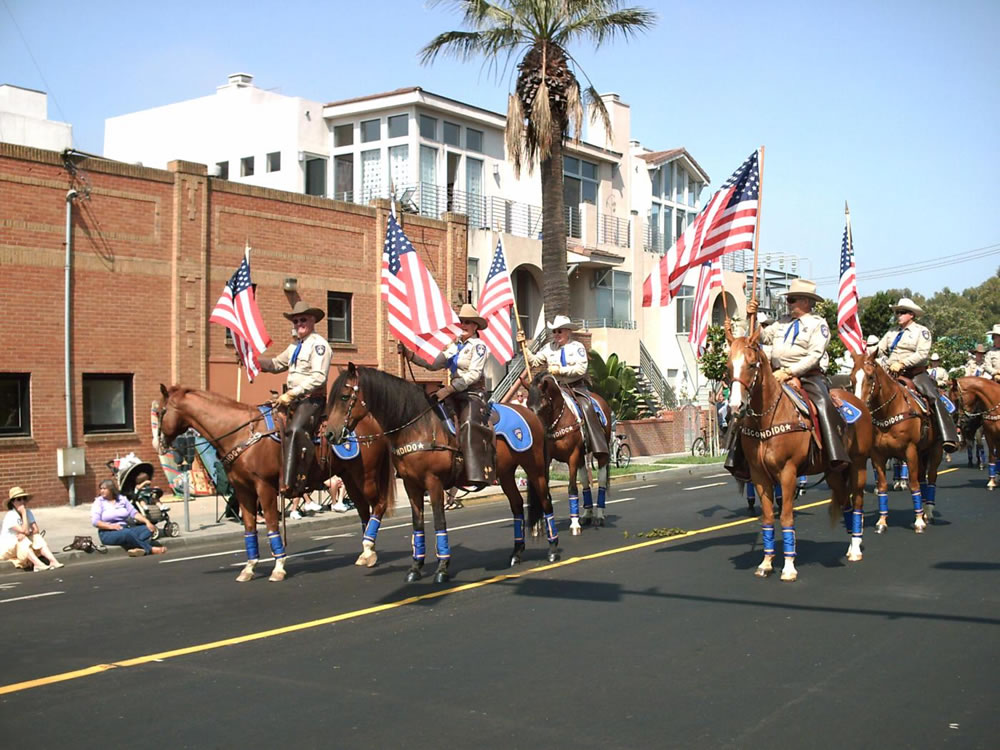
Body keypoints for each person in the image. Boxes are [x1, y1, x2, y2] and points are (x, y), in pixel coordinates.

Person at [749, 279, 849, 470]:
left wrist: (789, 371)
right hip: (776, 374)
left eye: (792, 299)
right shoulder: (782, 322)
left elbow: (814, 355)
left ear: (805, 301)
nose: (788, 303)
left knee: (822, 403)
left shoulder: (818, 324)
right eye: (788, 299)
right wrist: (751, 317)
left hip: (808, 376)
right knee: (748, 403)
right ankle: (740, 459)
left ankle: (834, 453)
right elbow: (763, 337)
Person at [400, 303, 495, 489]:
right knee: (429, 412)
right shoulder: (455, 346)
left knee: (468, 424)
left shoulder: (479, 346)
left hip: (472, 393)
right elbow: (434, 364)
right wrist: (411, 356)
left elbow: (474, 375)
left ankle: (475, 471)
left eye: (468, 322)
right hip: (453, 392)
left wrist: (450, 389)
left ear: (475, 326)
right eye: (461, 322)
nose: (463, 325)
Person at [258, 300, 333, 497]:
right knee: (266, 425)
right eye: (296, 321)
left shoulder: (319, 345)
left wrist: (292, 393)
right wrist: (254, 362)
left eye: (303, 320)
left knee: (295, 429)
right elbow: (276, 364)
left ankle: (298, 480)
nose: (299, 324)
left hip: (312, 400)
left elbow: (319, 377)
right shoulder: (294, 347)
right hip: (292, 400)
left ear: (313, 321)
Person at [518, 314, 609, 457]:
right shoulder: (549, 348)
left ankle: (597, 443)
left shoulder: (577, 347)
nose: (556, 334)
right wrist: (523, 346)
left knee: (587, 407)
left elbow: (581, 369)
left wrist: (560, 370)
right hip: (557, 389)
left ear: (568, 331)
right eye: (554, 331)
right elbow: (534, 361)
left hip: (576, 387)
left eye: (560, 331)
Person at [877, 297, 959, 452]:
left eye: (902, 312)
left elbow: (922, 354)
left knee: (934, 397)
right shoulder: (891, 332)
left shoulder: (922, 331)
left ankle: (948, 436)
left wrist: (902, 363)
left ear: (911, 315)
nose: (898, 315)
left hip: (915, 374)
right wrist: (872, 353)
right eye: (897, 312)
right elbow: (880, 349)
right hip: (891, 374)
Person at [91, 479, 166, 556]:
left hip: (125, 528)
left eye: (104, 489)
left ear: (111, 489)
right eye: (101, 489)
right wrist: (111, 526)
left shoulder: (121, 499)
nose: (102, 491)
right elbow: (95, 522)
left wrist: (147, 522)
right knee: (127, 533)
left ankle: (137, 548)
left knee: (148, 529)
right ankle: (150, 549)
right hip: (108, 532)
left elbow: (134, 513)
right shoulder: (99, 502)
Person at [2, 487, 64, 570]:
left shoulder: (28, 512)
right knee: (23, 539)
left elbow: (36, 530)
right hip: (8, 549)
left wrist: (26, 533)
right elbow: (25, 531)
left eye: (24, 498)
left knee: (36, 537)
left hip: (21, 546)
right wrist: (23, 513)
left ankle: (53, 561)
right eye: (19, 499)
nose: (22, 501)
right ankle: (37, 564)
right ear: (13, 502)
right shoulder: (10, 515)